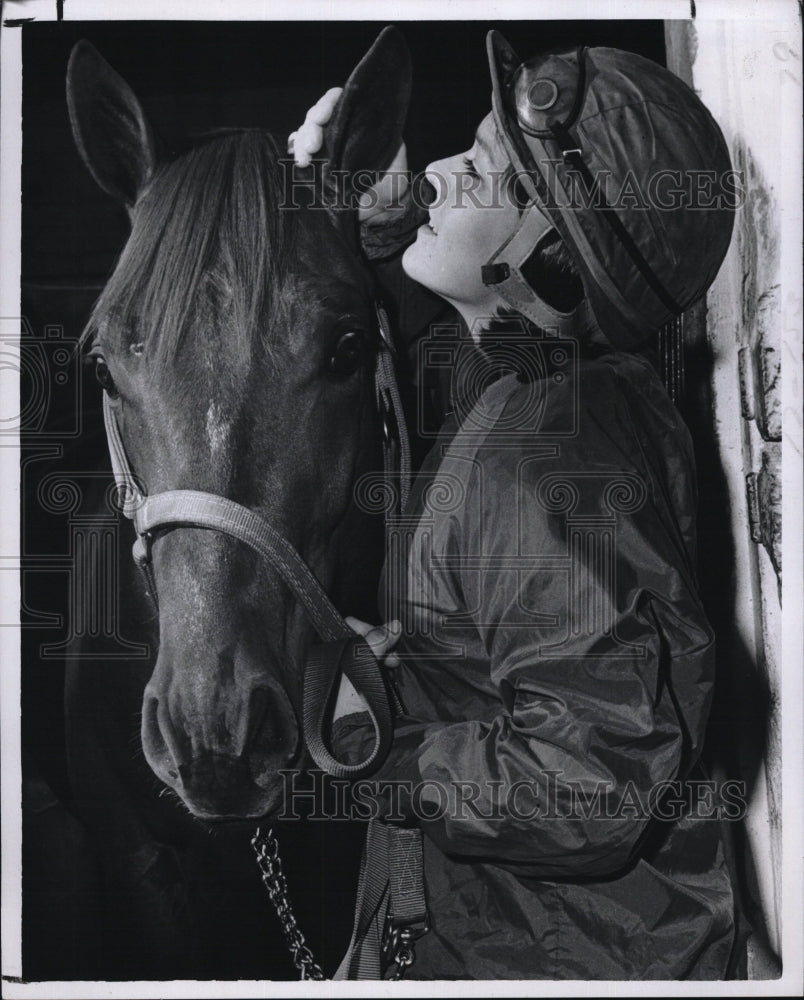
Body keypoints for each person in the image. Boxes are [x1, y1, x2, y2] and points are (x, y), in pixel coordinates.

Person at [290, 31, 745, 979]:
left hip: (550, 957)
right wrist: (361, 224)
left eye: (486, 167)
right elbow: (428, 382)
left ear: (554, 268)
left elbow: (594, 781)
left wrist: (376, 744)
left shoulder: (551, 449)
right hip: (521, 934)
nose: (443, 172)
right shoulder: (538, 392)